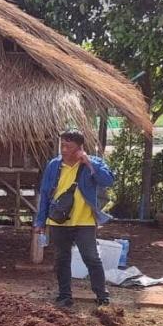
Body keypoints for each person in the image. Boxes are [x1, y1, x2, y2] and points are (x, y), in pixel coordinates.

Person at [34, 130, 115, 309]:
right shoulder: (53, 165)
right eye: (62, 145)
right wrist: (40, 222)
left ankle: (102, 296)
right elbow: (45, 194)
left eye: (68, 147)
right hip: (58, 221)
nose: (63, 150)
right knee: (61, 259)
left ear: (79, 148)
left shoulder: (92, 163)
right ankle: (64, 296)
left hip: (84, 221)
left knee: (92, 258)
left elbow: (108, 180)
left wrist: (89, 162)